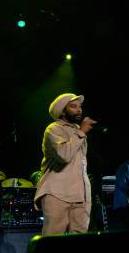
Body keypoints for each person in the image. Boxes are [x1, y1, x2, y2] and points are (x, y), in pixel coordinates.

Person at [34, 93, 97, 235]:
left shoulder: (77, 131)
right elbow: (64, 155)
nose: (79, 110)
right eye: (74, 107)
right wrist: (81, 132)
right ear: (62, 111)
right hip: (57, 193)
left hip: (81, 195)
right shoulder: (53, 129)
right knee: (53, 241)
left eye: (80, 107)